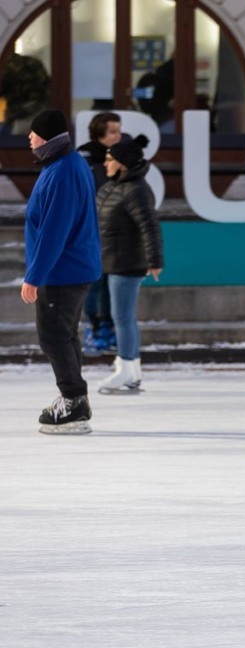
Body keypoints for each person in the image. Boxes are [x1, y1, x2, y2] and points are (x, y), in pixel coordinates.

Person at [21, 109, 101, 434]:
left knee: (53, 336)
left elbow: (54, 231)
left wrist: (34, 276)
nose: (28, 137)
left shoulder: (62, 172)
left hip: (62, 271)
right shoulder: (66, 164)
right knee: (65, 335)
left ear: (48, 138)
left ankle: (73, 399)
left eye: (34, 132)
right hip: (73, 267)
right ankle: (73, 397)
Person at [94, 135, 163, 394]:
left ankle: (125, 371)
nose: (105, 163)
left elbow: (150, 227)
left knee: (122, 317)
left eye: (110, 159)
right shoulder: (113, 186)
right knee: (123, 317)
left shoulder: (136, 190)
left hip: (127, 262)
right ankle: (131, 371)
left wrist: (155, 260)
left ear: (122, 163)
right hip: (110, 259)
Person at [77, 112, 124, 357]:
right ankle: (94, 327)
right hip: (90, 230)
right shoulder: (84, 159)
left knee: (109, 280)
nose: (118, 136)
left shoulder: (121, 157)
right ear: (99, 133)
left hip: (113, 230)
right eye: (113, 131)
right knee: (93, 280)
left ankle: (108, 326)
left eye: (119, 130)